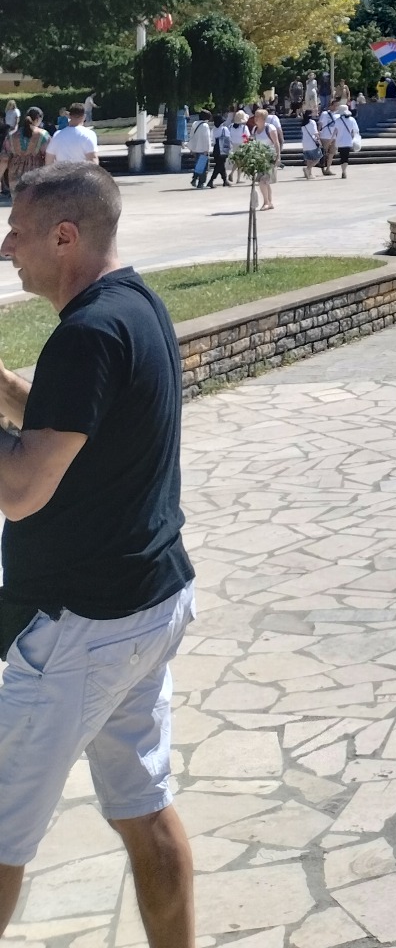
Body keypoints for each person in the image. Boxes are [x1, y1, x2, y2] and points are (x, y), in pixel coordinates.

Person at [0, 164, 197, 942]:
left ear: (64, 236)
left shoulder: (86, 334)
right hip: (147, 604)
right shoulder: (134, 307)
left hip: (82, 628)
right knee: (144, 811)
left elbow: (20, 489)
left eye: (16, 230)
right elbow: (65, 425)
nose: (6, 245)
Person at [250, 106, 283, 207]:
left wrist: (278, 157)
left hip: (270, 158)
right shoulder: (255, 129)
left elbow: (276, 143)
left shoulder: (270, 128)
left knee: (263, 181)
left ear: (263, 118)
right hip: (260, 158)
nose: (255, 118)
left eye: (258, 117)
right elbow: (253, 143)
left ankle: (266, 202)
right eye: (255, 116)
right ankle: (269, 202)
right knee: (265, 182)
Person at [187, 113, 213, 189]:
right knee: (204, 167)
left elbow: (191, 135)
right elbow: (207, 138)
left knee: (198, 165)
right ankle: (201, 183)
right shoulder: (205, 126)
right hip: (203, 148)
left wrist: (191, 148)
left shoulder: (195, 124)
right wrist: (207, 149)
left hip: (195, 148)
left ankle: (194, 179)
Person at [333, 106, 361, 179]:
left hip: (340, 142)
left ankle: (343, 170)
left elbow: (335, 132)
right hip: (348, 141)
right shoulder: (352, 120)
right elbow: (356, 130)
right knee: (346, 157)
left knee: (342, 156)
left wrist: (332, 140)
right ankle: (344, 171)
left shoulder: (337, 120)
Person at [316, 103, 337, 177]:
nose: (335, 107)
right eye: (334, 105)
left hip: (334, 137)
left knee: (331, 153)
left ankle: (328, 169)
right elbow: (320, 123)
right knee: (324, 153)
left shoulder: (337, 115)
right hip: (325, 136)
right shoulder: (324, 114)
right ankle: (323, 168)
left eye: (336, 105)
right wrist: (318, 132)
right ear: (330, 106)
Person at [299, 111, 321, 179]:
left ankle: (309, 174)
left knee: (309, 159)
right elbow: (315, 133)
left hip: (305, 143)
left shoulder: (303, 124)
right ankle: (308, 169)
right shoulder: (312, 122)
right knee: (318, 158)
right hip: (312, 143)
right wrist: (319, 139)